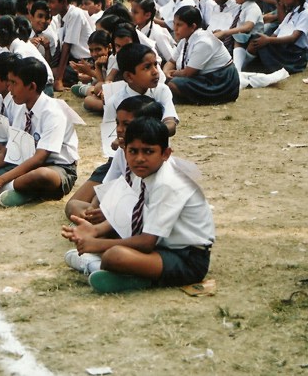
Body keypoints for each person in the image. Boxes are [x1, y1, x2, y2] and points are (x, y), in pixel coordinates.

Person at [62, 117, 214, 293]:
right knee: (111, 240)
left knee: (114, 255)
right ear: (125, 151)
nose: (139, 158)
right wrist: (95, 231)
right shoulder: (142, 174)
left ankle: (97, 266)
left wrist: (96, 244)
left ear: (165, 154)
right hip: (161, 247)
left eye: (148, 151)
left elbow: (146, 242)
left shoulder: (167, 183)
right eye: (133, 151)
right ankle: (118, 271)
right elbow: (129, 212)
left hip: (187, 258)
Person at [0, 57, 80, 208]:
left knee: (41, 175)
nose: (10, 87)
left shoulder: (53, 113)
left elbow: (39, 159)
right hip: (25, 162)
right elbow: (10, 151)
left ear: (31, 86)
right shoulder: (23, 109)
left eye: (14, 83)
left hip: (57, 168)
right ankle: (18, 192)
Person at [64, 95, 161, 229]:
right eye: (117, 123)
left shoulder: (153, 159)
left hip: (143, 214)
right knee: (73, 205)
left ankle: (97, 230)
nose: (119, 129)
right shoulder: (121, 152)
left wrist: (111, 215)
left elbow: (145, 205)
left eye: (126, 124)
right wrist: (94, 208)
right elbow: (106, 187)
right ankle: (94, 227)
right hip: (122, 208)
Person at [164, 6, 239, 105]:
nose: (175, 28)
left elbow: (188, 73)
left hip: (219, 80)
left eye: (179, 25)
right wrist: (165, 72)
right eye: (174, 24)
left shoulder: (203, 42)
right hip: (204, 77)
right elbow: (171, 61)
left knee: (174, 84)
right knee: (165, 82)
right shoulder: (185, 40)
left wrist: (172, 74)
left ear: (193, 26)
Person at [104, 43, 178, 136]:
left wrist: (145, 136)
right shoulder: (114, 102)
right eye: (147, 67)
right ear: (129, 76)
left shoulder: (162, 90)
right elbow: (110, 140)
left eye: (155, 65)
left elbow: (170, 124)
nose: (155, 71)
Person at [246, 0, 308, 74]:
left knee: (258, 41)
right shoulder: (290, 14)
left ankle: (245, 65)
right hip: (284, 48)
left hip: (295, 55)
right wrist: (265, 40)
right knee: (256, 39)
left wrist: (268, 40)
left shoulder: (306, 14)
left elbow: (293, 38)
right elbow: (275, 35)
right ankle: (246, 65)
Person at [47, 0, 94, 91]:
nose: (49, 5)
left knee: (51, 74)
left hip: (85, 60)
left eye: (52, 2)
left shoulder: (75, 14)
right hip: (72, 59)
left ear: (64, 1)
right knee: (48, 70)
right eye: (48, 1)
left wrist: (58, 79)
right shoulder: (61, 15)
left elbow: (67, 47)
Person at [0, 14, 55, 96]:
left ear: (1, 34)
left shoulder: (19, 51)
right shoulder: (21, 44)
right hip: (42, 86)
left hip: (42, 89)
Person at [213, 0, 263, 71]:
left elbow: (248, 27)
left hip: (252, 42)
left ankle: (241, 67)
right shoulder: (243, 6)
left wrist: (225, 32)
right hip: (240, 41)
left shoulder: (252, 8)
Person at [132, 0, 176, 64]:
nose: (131, 15)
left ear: (147, 15)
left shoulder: (157, 33)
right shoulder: (136, 29)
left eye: (135, 13)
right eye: (132, 11)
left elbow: (172, 59)